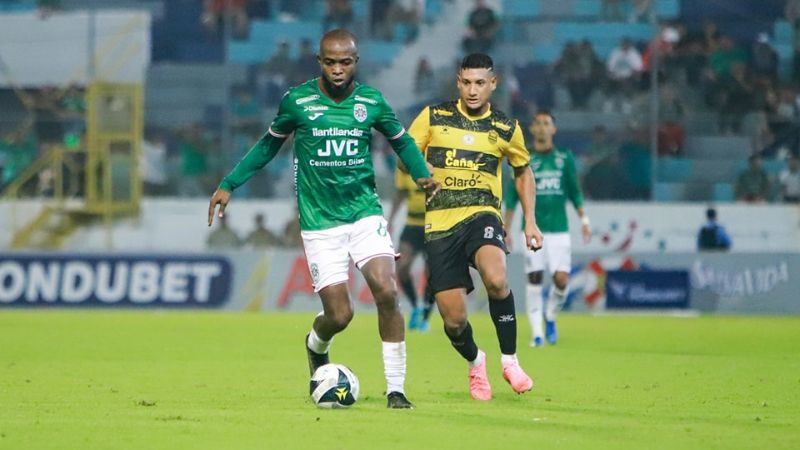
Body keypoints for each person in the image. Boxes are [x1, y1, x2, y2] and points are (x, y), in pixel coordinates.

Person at [207, 29, 440, 409]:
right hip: (319, 223)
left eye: (344, 62)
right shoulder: (297, 101)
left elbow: (401, 141)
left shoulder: (371, 101)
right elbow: (268, 145)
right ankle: (316, 345)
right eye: (330, 62)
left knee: (386, 291)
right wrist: (230, 183)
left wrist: (420, 173)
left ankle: (396, 390)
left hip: (364, 213)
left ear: (356, 62)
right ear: (319, 61)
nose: (337, 69)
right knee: (340, 314)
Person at [407, 53, 543, 401]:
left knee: (497, 278)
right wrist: (421, 171)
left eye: (480, 83)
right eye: (466, 82)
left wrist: (530, 220)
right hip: (440, 225)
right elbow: (405, 149)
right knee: (453, 321)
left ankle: (510, 361)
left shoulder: (505, 128)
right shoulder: (434, 116)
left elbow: (523, 170)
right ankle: (476, 361)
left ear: (493, 84)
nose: (472, 90)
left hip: (482, 214)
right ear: (458, 82)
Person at [505, 111, 591, 347]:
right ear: (532, 129)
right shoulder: (524, 158)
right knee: (534, 278)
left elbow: (574, 191)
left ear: (553, 129)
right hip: (532, 229)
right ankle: (537, 334)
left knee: (562, 279)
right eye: (538, 124)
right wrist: (507, 228)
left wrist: (584, 221)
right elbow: (512, 197)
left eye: (547, 124)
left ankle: (550, 315)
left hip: (559, 230)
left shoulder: (565, 157)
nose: (542, 128)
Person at [387, 166, 435, 332]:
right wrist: (391, 219)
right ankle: (416, 305)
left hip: (434, 225)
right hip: (412, 224)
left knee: (433, 274)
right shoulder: (404, 163)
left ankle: (426, 316)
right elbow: (401, 193)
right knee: (402, 267)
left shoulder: (436, 159)